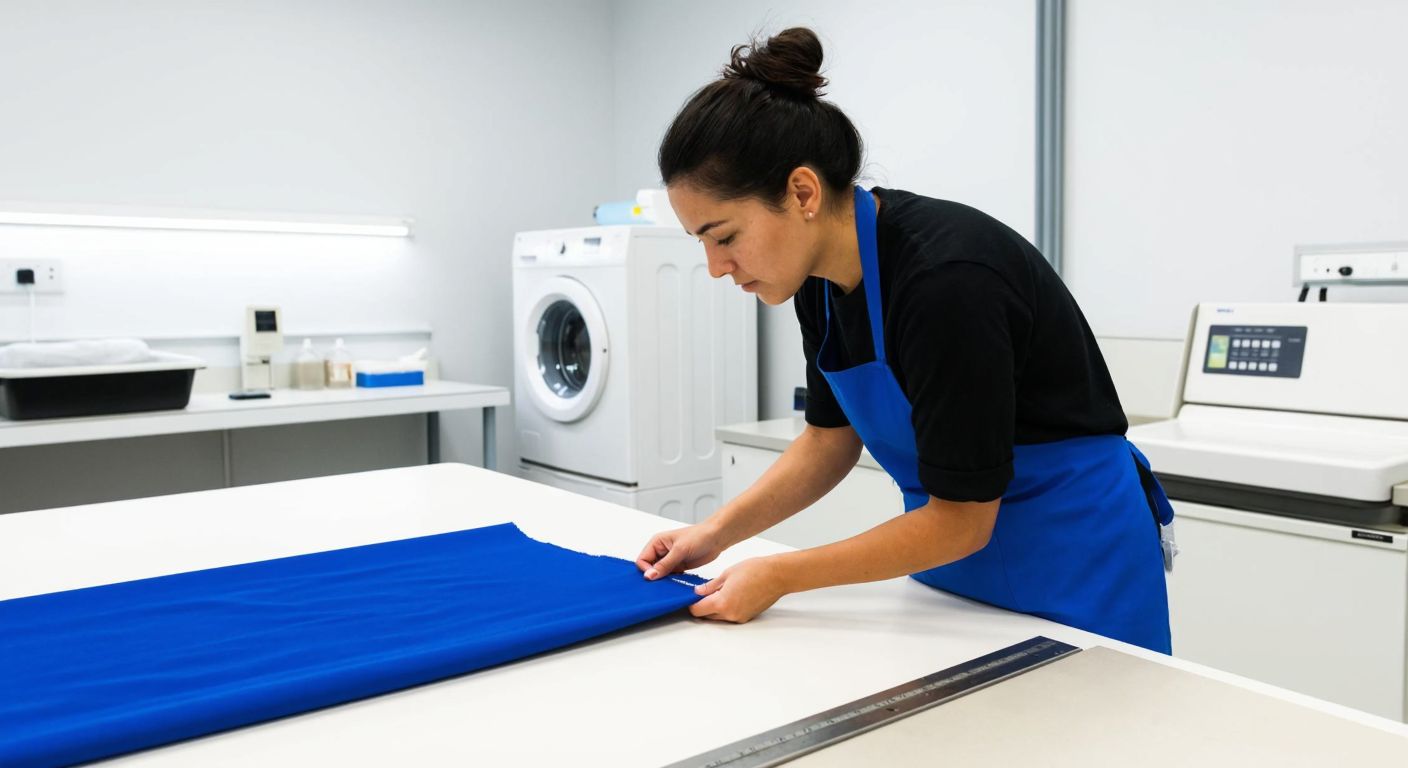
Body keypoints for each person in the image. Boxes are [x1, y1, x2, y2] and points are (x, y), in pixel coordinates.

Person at [636, 27, 1174, 653]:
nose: (715, 266)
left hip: (1075, 562)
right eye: (700, 243)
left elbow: (964, 517)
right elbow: (827, 442)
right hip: (952, 571)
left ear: (802, 193)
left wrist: (780, 574)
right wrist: (714, 535)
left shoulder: (948, 281)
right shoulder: (816, 281)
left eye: (723, 235)